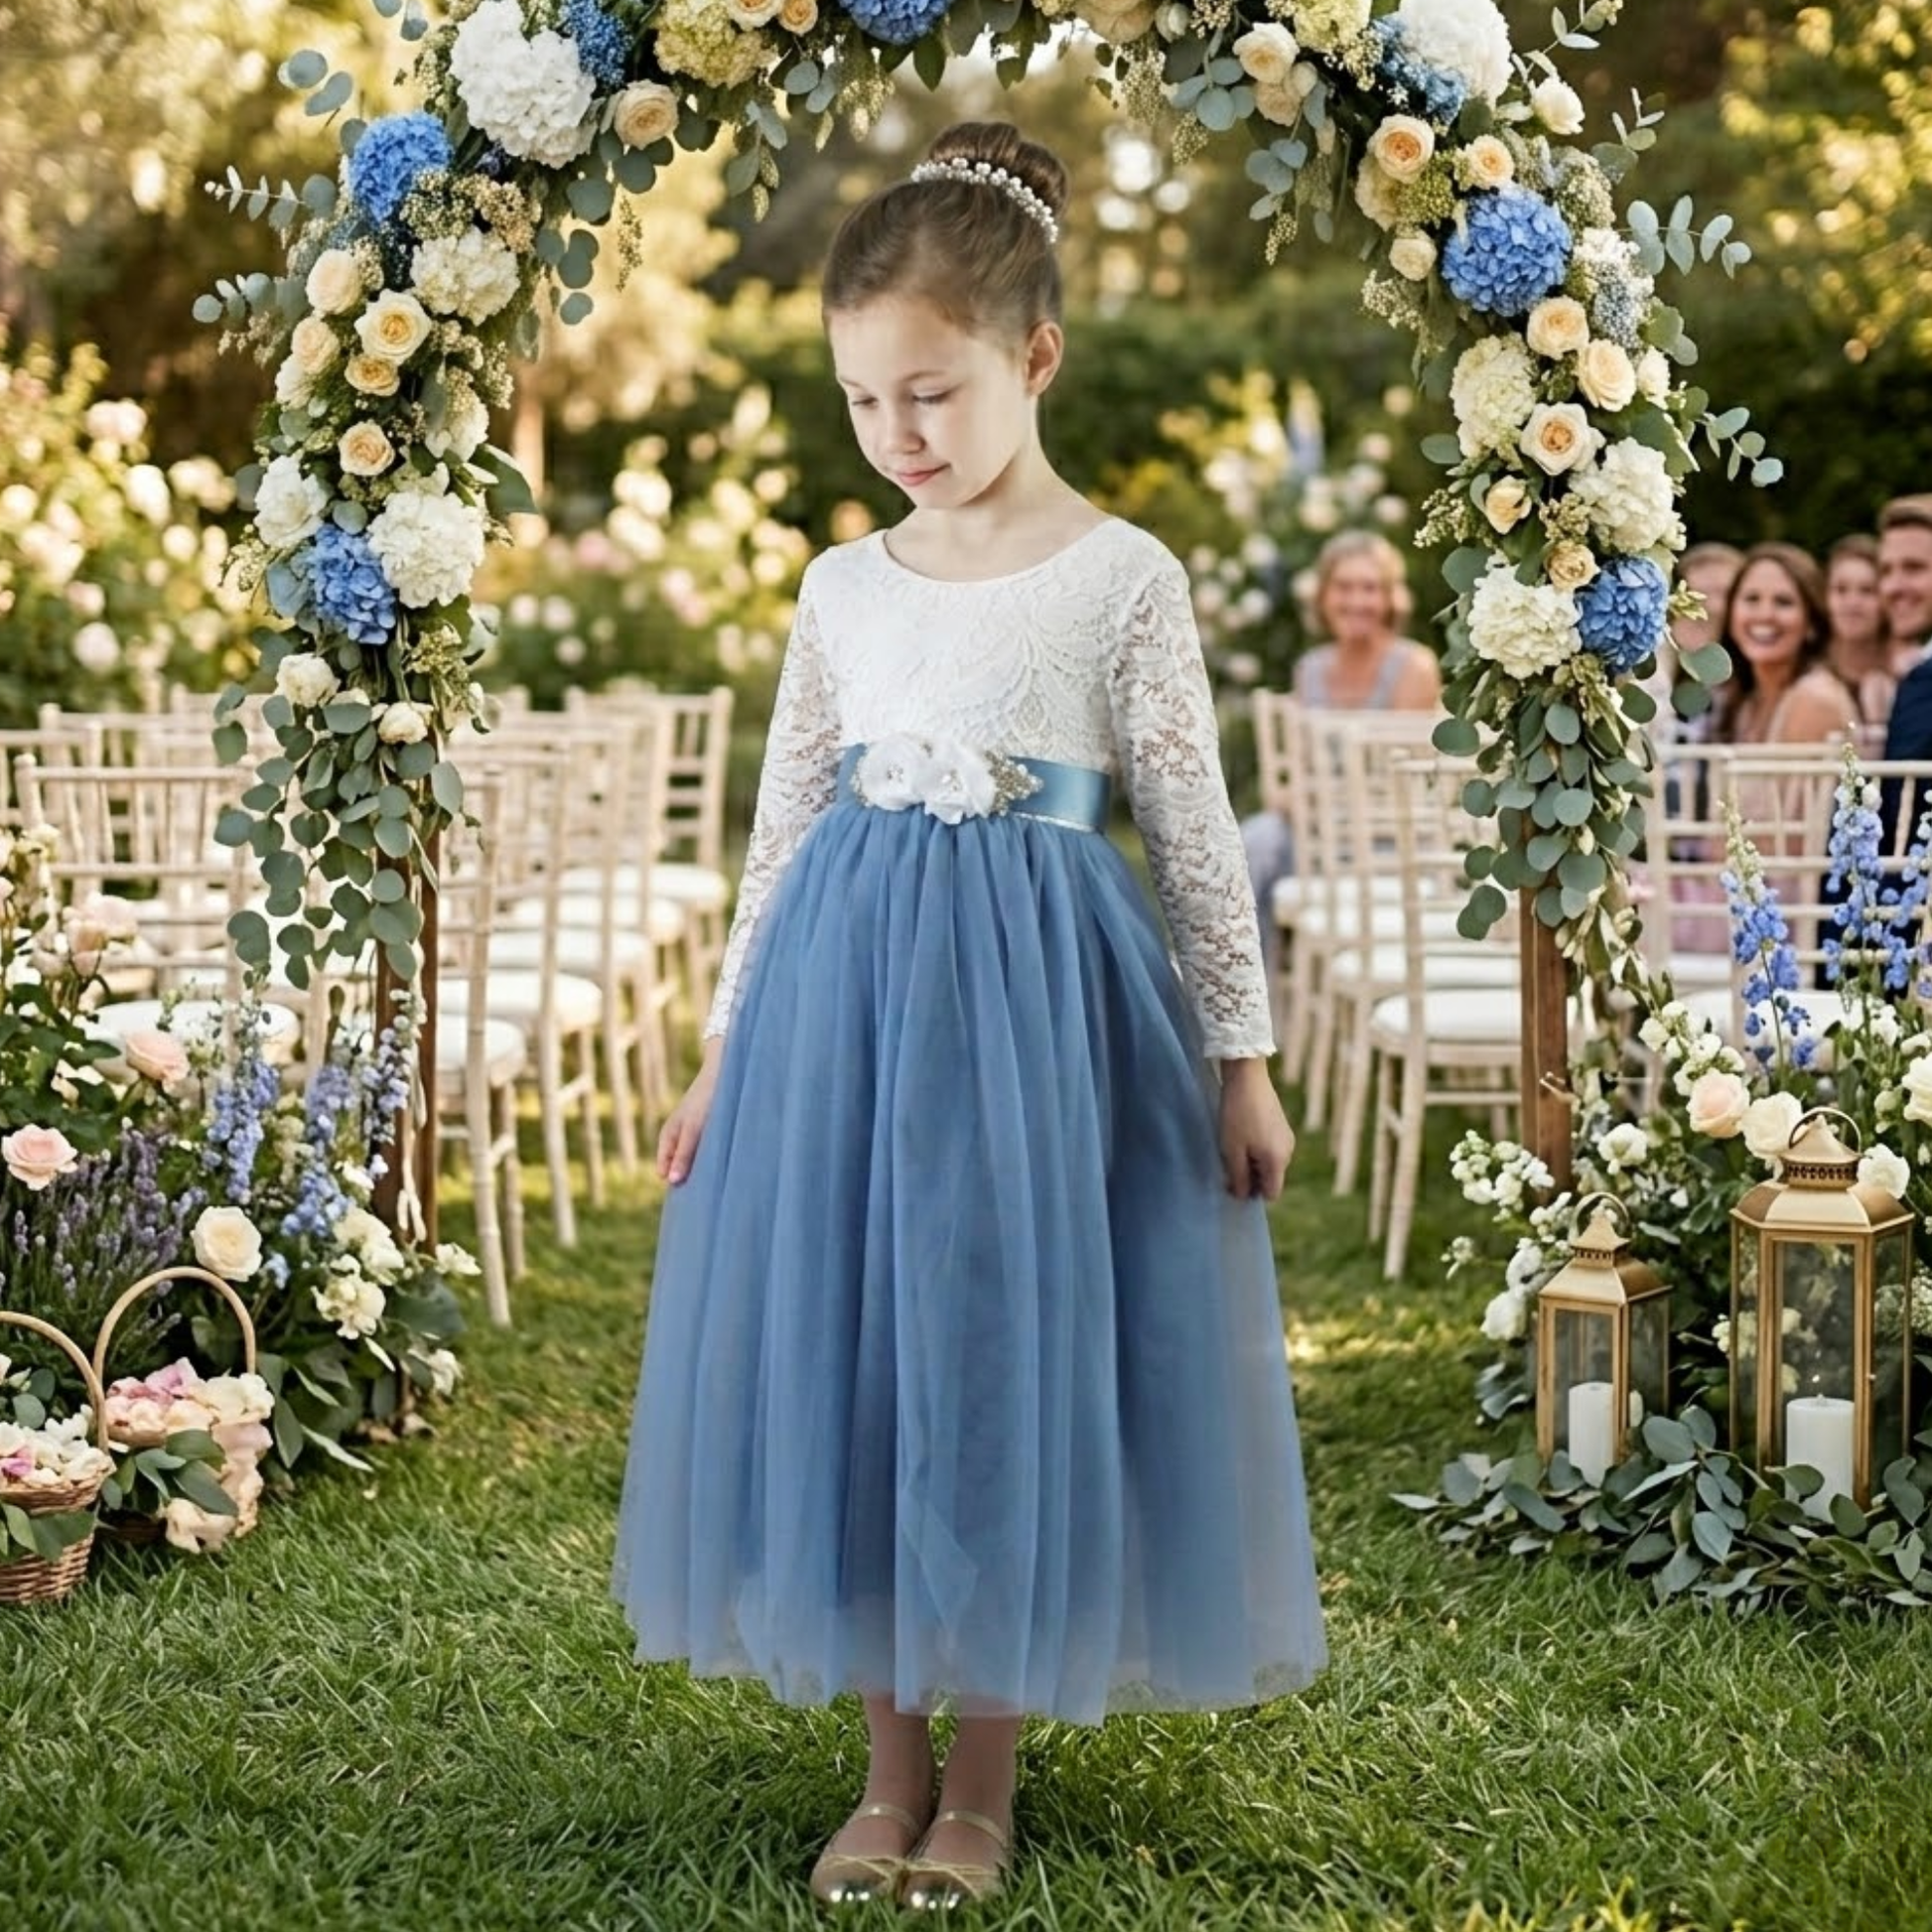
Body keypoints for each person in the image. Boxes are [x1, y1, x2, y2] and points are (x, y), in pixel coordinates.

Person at [611, 122, 1325, 1913]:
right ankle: (886, 1767)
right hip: (843, 1007)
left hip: (1041, 1020)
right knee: (853, 1346)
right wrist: (722, 1050)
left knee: (1007, 1345)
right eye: (864, 401)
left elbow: (1190, 826)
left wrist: (1239, 1063)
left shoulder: (1121, 574)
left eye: (930, 393)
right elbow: (780, 825)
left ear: (1036, 356)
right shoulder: (840, 586)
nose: (898, 434)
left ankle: (984, 1778)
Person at [1239, 529, 1440, 969]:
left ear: (1389, 598)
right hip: (1316, 833)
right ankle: (1241, 991)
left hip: (1389, 840)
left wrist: (1313, 800)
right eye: (1344, 587)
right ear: (1324, 596)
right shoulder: (1310, 669)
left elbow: (1402, 781)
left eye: (1370, 588)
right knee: (1248, 845)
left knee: (1267, 845)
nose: (1356, 601)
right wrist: (1291, 795)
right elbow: (1302, 770)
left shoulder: (1413, 667)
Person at [1824, 532, 1898, 731]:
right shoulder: (1806, 672)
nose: (1852, 603)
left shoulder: (1908, 672)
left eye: (1867, 590)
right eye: (1841, 589)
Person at [1878, 496, 1932, 762]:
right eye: (1886, 570)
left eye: (1914, 568)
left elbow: (1899, 786)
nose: (1893, 587)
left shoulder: (1924, 681)